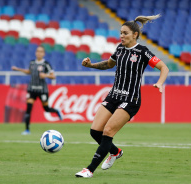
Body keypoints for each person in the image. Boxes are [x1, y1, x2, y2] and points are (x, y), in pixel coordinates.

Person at [75, 14, 169, 178]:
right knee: (95, 131)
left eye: (125, 33)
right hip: (114, 95)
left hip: (130, 99)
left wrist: (160, 83)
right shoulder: (119, 49)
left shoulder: (142, 52)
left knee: (108, 131)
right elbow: (108, 64)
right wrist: (90, 65)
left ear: (135, 34)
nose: (121, 36)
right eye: (120, 33)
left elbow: (164, 68)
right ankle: (115, 152)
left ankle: (89, 169)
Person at [12, 46, 63, 135]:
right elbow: (29, 72)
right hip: (32, 89)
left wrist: (46, 75)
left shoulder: (46, 64)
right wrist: (18, 69)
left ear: (44, 53)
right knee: (28, 109)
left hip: (42, 90)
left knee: (46, 109)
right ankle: (27, 130)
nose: (39, 53)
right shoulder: (32, 63)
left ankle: (56, 111)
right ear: (36, 53)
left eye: (41, 52)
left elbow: (53, 76)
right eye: (37, 51)